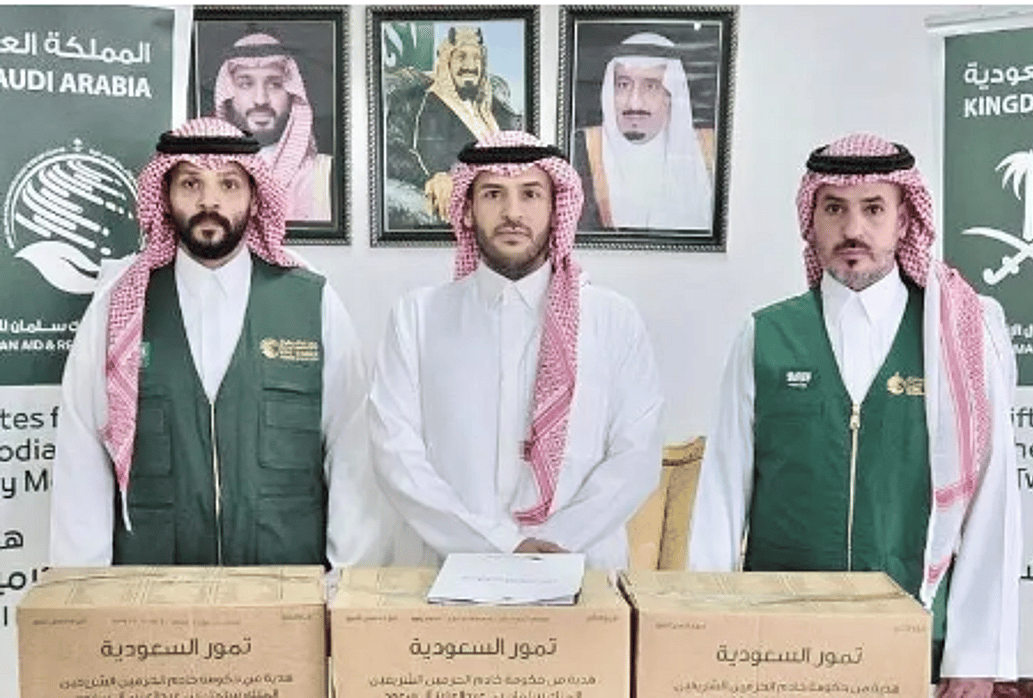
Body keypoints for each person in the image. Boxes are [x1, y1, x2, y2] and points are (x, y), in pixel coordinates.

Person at [688, 134, 1021, 698]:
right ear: (811, 220)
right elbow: (721, 494)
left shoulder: (958, 334)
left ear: (903, 220)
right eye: (834, 209)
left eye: (873, 209)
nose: (853, 229)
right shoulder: (767, 335)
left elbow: (993, 502)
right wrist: (705, 630)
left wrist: (974, 656)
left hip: (914, 635)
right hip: (776, 637)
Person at [49, 117, 381, 568]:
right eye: (191, 184)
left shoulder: (311, 302)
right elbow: (82, 457)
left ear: (254, 197)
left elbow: (353, 452)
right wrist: (84, 589)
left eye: (229, 184)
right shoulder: (119, 307)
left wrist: (347, 584)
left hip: (286, 587)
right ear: (165, 197)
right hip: (152, 591)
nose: (210, 201)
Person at [369, 131, 664, 569]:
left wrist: (551, 546)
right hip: (446, 572)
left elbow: (635, 456)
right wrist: (500, 546)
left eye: (530, 194)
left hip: (579, 572)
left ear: (556, 208)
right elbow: (395, 455)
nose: (512, 213)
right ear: (466, 210)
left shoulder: (613, 319)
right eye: (493, 194)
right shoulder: (416, 317)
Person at [573, 32, 715, 231]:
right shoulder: (581, 150)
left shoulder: (710, 150)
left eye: (651, 86)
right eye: (623, 85)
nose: (634, 103)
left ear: (671, 95)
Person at [385, 26, 521, 226]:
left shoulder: (501, 112)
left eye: (477, 58)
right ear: (447, 62)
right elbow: (392, 151)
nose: (470, 66)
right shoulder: (415, 103)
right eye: (461, 57)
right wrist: (430, 178)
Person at [214, 32, 334, 222]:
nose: (260, 99)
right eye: (245, 84)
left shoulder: (325, 175)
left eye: (275, 85)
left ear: (293, 94)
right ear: (227, 94)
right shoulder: (204, 176)